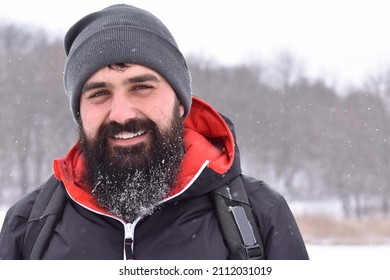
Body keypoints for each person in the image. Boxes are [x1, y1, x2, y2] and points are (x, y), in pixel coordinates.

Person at [0, 4, 309, 260]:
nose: (122, 114)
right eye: (99, 93)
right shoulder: (28, 225)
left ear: (180, 103)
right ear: (80, 113)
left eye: (142, 87)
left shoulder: (259, 214)